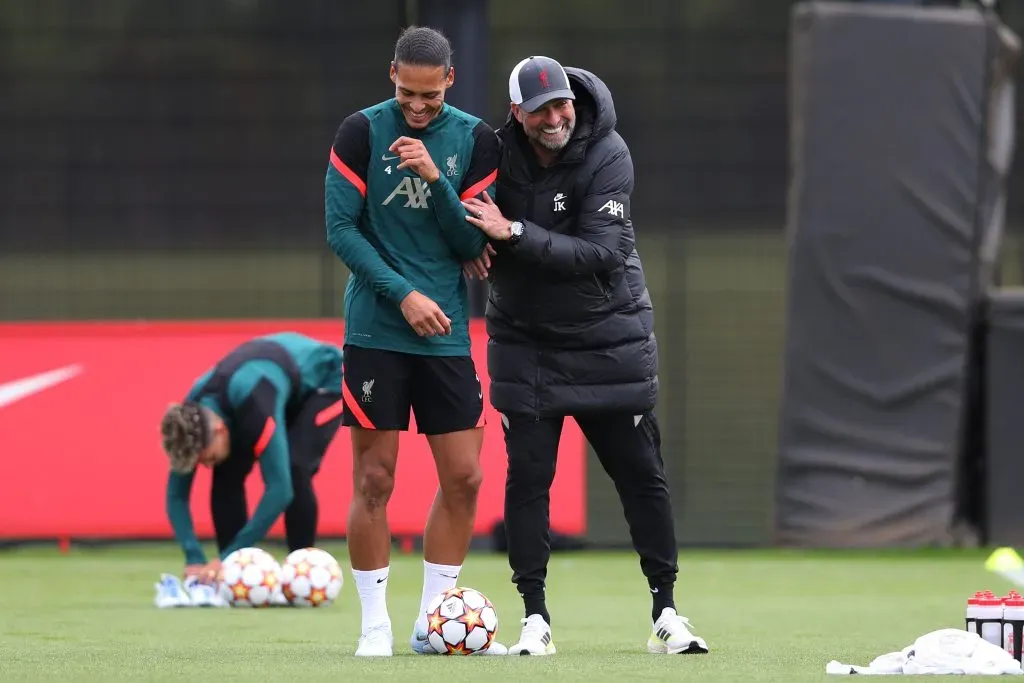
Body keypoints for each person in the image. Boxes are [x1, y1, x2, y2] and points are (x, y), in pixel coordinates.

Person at [462, 56, 710, 656]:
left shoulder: (610, 152)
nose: (556, 117)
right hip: (526, 343)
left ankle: (667, 613)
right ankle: (535, 620)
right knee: (528, 483)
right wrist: (471, 240)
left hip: (609, 339)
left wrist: (511, 233)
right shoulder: (492, 152)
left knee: (642, 479)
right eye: (541, 108)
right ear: (517, 113)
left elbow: (599, 252)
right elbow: (463, 214)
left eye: (562, 104)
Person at [324, 25, 506, 657]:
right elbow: (342, 230)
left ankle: (433, 619)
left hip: (447, 336)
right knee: (375, 479)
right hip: (377, 329)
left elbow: (470, 246)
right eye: (407, 94)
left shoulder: (476, 139)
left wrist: (435, 179)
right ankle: (374, 622)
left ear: (449, 80)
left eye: (429, 96)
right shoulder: (360, 131)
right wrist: (403, 293)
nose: (418, 107)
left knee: (466, 478)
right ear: (392, 76)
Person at [159, 332, 344, 597]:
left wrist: (224, 557)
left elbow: (280, 490)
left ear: (221, 429)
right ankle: (233, 577)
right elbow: (176, 495)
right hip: (270, 390)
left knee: (293, 468)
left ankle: (300, 575)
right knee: (225, 474)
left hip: (326, 381)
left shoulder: (255, 402)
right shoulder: (189, 419)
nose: (206, 465)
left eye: (207, 458)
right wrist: (193, 556)